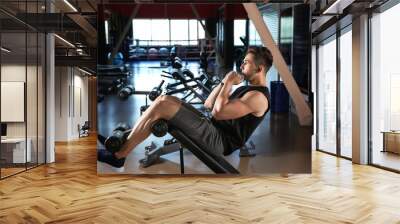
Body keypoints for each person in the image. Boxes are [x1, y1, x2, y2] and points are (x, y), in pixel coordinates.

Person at [98, 46, 273, 168]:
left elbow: (218, 113)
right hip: (210, 125)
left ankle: (118, 156)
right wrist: (223, 82)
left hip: (219, 141)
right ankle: (121, 141)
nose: (241, 65)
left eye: (246, 62)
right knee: (164, 99)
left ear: (259, 68)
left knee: (163, 105)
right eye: (243, 61)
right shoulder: (247, 88)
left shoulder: (258, 97)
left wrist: (228, 82)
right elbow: (208, 104)